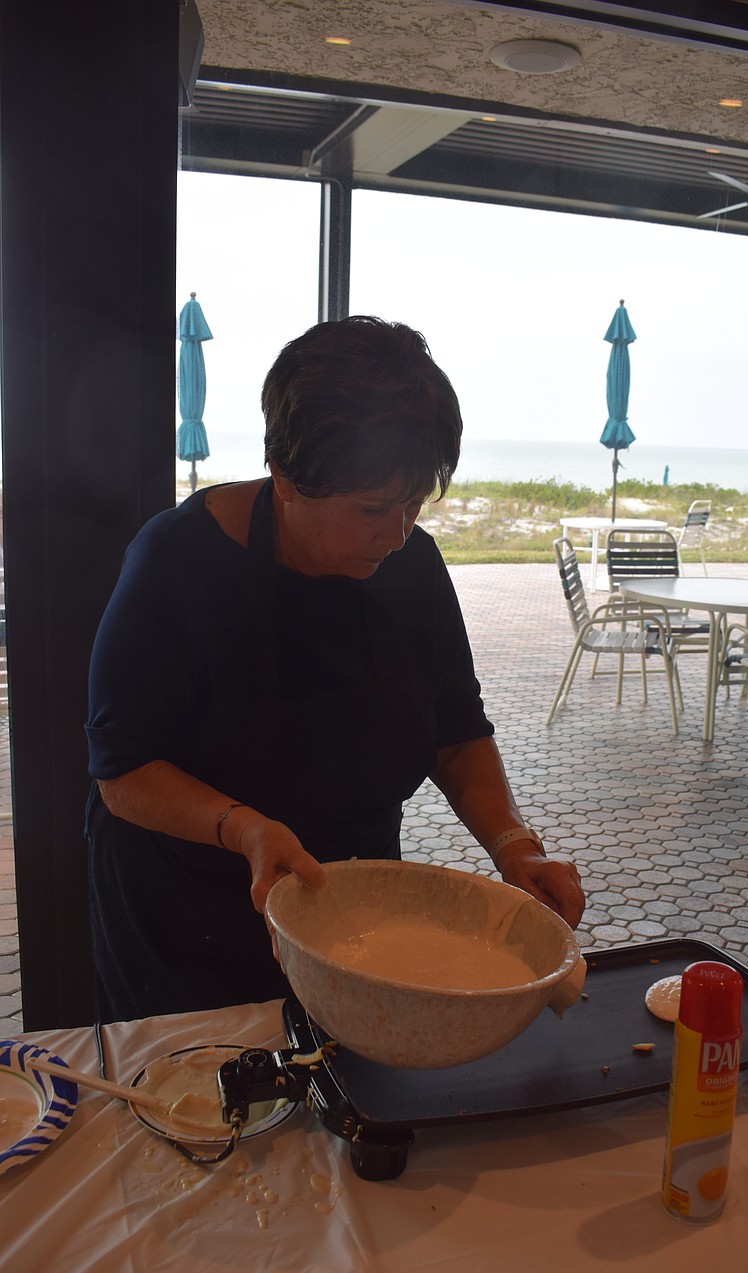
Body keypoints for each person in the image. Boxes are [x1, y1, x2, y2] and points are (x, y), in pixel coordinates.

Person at [86, 316, 585, 1022]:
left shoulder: (412, 566)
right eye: (373, 508)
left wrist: (512, 845)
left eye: (414, 501)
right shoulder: (174, 564)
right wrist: (245, 826)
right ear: (286, 476)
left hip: (355, 916)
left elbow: (456, 731)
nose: (399, 530)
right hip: (191, 920)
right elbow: (122, 770)